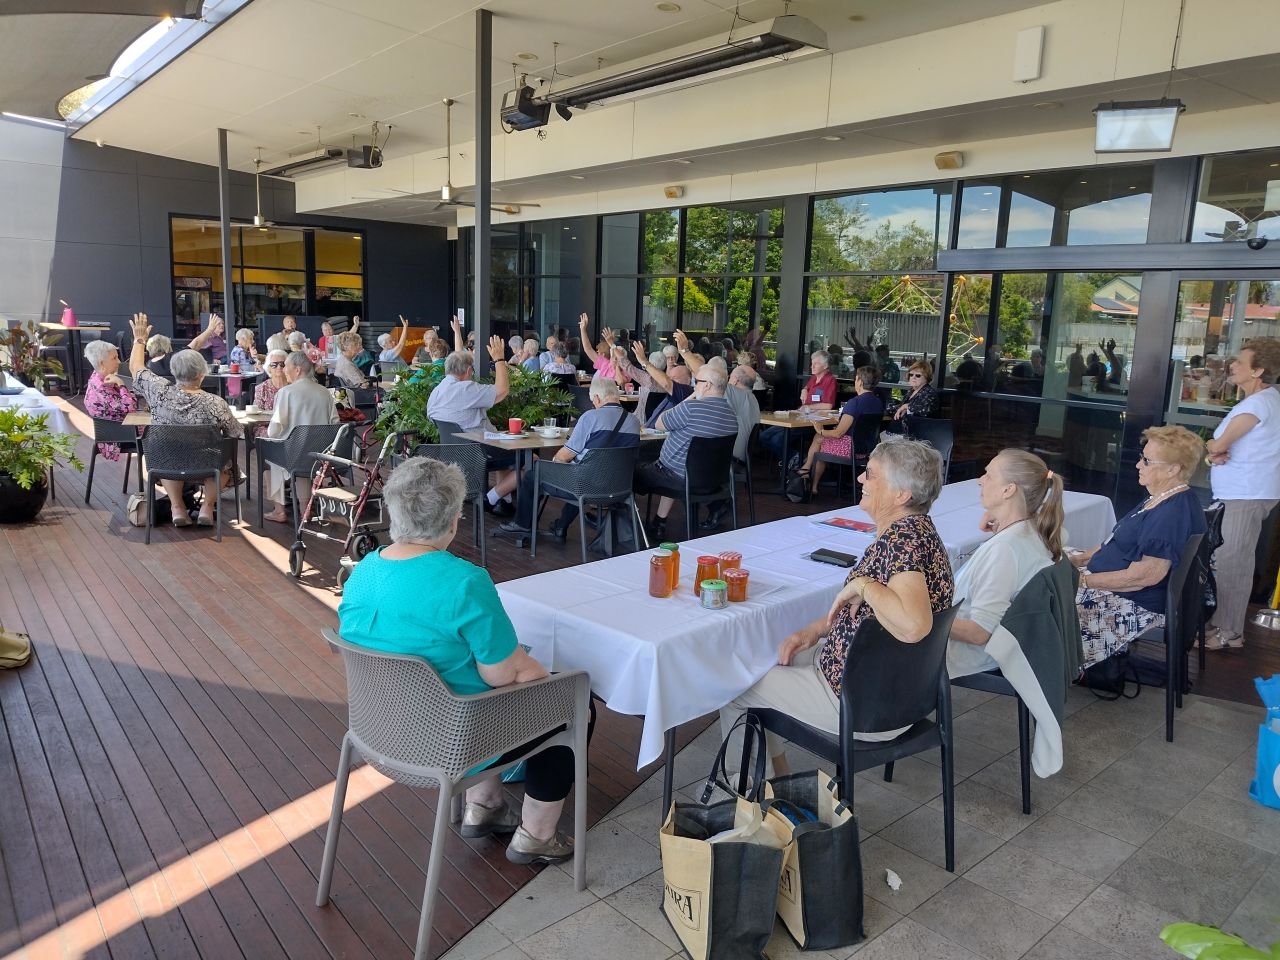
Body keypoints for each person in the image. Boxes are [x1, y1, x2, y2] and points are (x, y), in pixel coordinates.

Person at [338, 457, 586, 863]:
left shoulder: (364, 570)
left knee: (473, 683)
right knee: (571, 705)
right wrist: (549, 684)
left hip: (378, 731)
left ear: (394, 512)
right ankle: (537, 835)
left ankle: (484, 806)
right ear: (453, 521)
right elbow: (506, 674)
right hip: (449, 743)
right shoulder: (464, 581)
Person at [719, 437, 953, 772]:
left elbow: (915, 625)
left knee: (735, 683)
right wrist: (814, 631)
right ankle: (778, 785)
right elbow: (876, 613)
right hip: (899, 692)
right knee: (767, 656)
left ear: (902, 495)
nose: (860, 479)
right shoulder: (920, 532)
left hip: (864, 704)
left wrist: (864, 583)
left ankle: (745, 806)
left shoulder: (903, 544)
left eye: (871, 474)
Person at [1071, 426, 1207, 667]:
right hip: (1116, 585)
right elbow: (1114, 541)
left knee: (1043, 595)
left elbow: (1145, 575)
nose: (1138, 465)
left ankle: (1037, 662)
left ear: (1173, 469)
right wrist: (1079, 560)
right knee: (1047, 565)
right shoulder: (1160, 497)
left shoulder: (1170, 514)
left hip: (1134, 602)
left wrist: (1080, 581)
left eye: (1146, 460)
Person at [947, 449, 1064, 677]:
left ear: (1008, 490)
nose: (980, 480)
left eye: (989, 475)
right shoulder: (1033, 532)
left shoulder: (1005, 550)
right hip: (1001, 648)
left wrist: (922, 619)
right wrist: (997, 515)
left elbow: (980, 632)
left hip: (968, 655)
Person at [126, 312, 242, 528]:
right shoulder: (216, 403)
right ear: (201, 375)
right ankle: (207, 506)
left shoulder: (158, 392)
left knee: (168, 453)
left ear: (174, 372)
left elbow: (136, 368)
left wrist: (139, 339)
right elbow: (235, 433)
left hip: (166, 462)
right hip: (206, 464)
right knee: (225, 464)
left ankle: (177, 507)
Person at [1203, 338, 1280, 650]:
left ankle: (1229, 632)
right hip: (1246, 493)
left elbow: (1219, 445)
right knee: (1231, 559)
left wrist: (1211, 448)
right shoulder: (1267, 400)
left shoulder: (1257, 404)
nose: (1232, 366)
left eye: (1239, 362)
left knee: (1232, 562)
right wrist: (1213, 455)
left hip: (1244, 495)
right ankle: (1223, 627)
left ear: (1258, 370)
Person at [500, 377, 641, 538]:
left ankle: (522, 525)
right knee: (581, 470)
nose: (593, 404)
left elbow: (566, 455)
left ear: (597, 397)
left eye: (592, 400)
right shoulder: (634, 421)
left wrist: (555, 462)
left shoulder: (591, 417)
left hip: (586, 485)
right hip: (619, 486)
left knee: (535, 474)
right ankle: (560, 526)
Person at [633, 364, 738, 541]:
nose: (694, 385)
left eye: (696, 382)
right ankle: (659, 522)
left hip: (677, 478)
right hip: (713, 481)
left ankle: (626, 527)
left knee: (629, 471)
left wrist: (691, 397)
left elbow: (659, 424)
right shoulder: (731, 415)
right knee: (673, 462)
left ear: (707, 386)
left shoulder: (691, 408)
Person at [427, 339, 519, 512]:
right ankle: (491, 498)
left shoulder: (436, 392)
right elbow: (502, 390)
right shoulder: (466, 389)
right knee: (529, 461)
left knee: (505, 448)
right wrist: (499, 359)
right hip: (478, 450)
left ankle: (503, 501)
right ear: (469, 371)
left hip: (451, 451)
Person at [261, 352, 338, 523]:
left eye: (286, 366)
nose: (283, 370)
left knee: (271, 459)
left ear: (297, 369)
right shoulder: (325, 392)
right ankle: (305, 508)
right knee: (303, 461)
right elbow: (335, 423)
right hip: (321, 454)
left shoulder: (286, 392)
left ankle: (279, 510)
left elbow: (274, 430)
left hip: (294, 454)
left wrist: (270, 437)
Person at [795, 365, 883, 497]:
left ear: (859, 381)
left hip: (849, 448)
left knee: (819, 439)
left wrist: (821, 430)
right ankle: (806, 470)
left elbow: (838, 433)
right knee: (822, 440)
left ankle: (809, 478)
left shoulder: (855, 402)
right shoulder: (878, 402)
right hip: (866, 450)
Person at [760, 350, 837, 466]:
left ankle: (792, 461)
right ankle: (794, 458)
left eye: (816, 363)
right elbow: (807, 387)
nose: (812, 366)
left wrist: (807, 406)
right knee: (764, 436)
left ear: (825, 366)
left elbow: (828, 405)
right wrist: (804, 390)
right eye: (812, 363)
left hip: (812, 422)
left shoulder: (830, 381)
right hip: (800, 417)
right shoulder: (814, 378)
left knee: (777, 440)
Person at [83, 339, 137, 461]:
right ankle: (166, 476)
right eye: (114, 358)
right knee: (160, 433)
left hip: (119, 429)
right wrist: (121, 385)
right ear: (102, 364)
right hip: (117, 436)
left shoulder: (97, 377)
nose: (119, 362)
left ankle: (164, 476)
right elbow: (131, 407)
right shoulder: (101, 388)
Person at [254, 349, 289, 438]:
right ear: (268, 368)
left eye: (282, 364)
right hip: (267, 426)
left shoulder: (294, 387)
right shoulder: (262, 388)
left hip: (290, 426)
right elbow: (256, 414)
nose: (279, 367)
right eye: (274, 365)